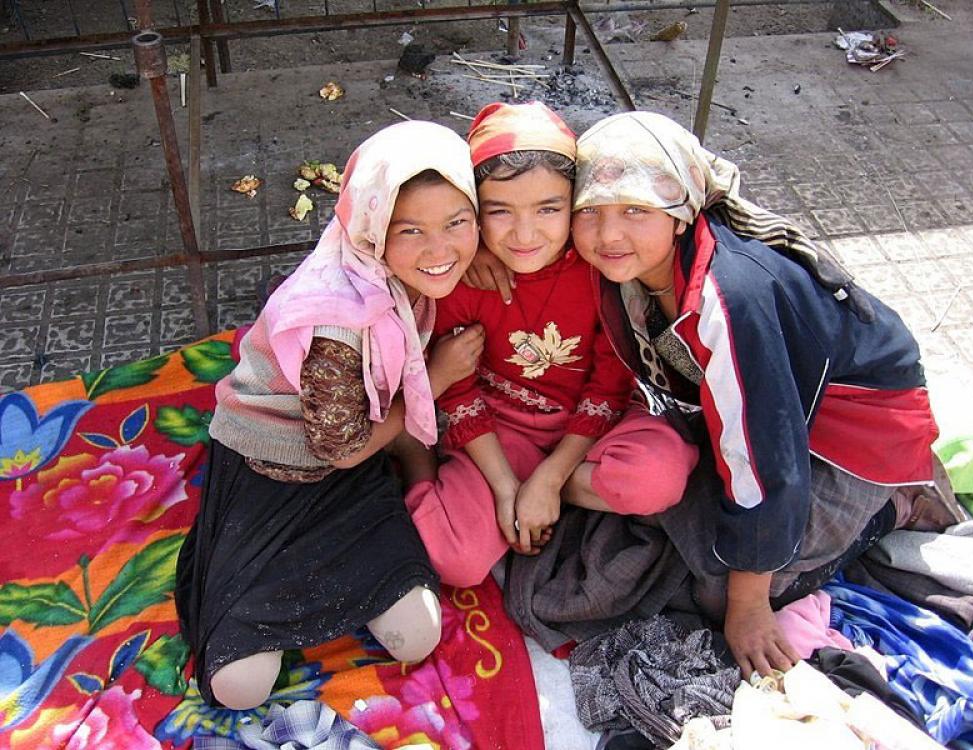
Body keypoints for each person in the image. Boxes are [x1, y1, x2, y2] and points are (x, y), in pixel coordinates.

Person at [568, 111, 962, 679]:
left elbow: (768, 457)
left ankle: (894, 502)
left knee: (722, 592)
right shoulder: (631, 267)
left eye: (636, 211)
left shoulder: (729, 299)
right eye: (591, 213)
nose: (608, 235)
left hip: (851, 433)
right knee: (718, 551)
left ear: (682, 215)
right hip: (772, 410)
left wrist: (748, 608)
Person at [174, 121, 487, 710]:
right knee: (239, 688)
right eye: (410, 229)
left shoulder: (404, 274)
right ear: (373, 228)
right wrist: (437, 378)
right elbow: (338, 449)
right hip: (276, 472)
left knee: (418, 634)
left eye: (457, 223)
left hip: (351, 470)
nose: (440, 250)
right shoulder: (337, 323)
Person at [404, 102, 698, 588]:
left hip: (592, 427)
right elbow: (458, 390)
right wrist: (503, 488)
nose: (524, 234)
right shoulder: (459, 275)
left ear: (575, 203)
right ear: (474, 210)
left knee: (657, 480)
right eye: (499, 212)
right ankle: (418, 460)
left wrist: (549, 481)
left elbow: (610, 384)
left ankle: (547, 495)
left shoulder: (600, 265)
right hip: (501, 431)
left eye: (549, 209)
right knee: (454, 561)